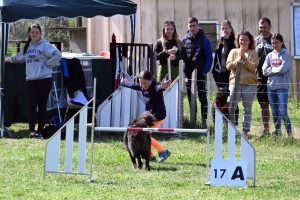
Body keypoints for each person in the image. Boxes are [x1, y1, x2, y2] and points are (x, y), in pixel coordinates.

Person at [6, 23, 62, 138]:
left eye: (37, 32)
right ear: (29, 33)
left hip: (44, 79)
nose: (34, 34)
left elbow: (58, 54)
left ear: (40, 33)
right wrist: (8, 60)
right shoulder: (27, 46)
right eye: (32, 32)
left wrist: (47, 64)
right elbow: (19, 58)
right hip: (30, 80)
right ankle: (31, 130)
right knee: (31, 105)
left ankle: (40, 130)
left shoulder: (45, 45)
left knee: (42, 106)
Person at [120, 70, 172, 163]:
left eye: (146, 83)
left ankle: (163, 152)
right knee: (146, 134)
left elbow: (158, 88)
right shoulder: (141, 86)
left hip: (158, 116)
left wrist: (162, 87)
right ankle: (150, 155)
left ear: (151, 80)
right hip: (149, 116)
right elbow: (133, 85)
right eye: (142, 83)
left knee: (146, 135)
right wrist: (123, 83)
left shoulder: (154, 86)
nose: (144, 86)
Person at [226, 31, 258, 138]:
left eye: (245, 39)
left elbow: (253, 67)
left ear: (249, 41)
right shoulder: (233, 51)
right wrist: (237, 61)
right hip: (235, 82)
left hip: (250, 84)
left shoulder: (253, 53)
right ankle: (232, 128)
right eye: (241, 39)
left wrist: (244, 59)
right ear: (238, 40)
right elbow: (228, 66)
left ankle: (245, 131)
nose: (243, 41)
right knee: (232, 105)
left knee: (247, 108)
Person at [182, 17, 213, 126]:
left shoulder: (205, 40)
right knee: (190, 97)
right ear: (188, 26)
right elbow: (181, 56)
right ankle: (192, 120)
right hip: (188, 73)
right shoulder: (184, 40)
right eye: (190, 26)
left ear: (198, 25)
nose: (192, 28)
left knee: (202, 97)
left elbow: (209, 57)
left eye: (194, 26)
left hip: (200, 73)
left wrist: (205, 72)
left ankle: (204, 121)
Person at [262, 33, 292, 138]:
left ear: (282, 42)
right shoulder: (269, 55)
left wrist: (272, 70)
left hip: (282, 87)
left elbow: (284, 69)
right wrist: (276, 70)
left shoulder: (286, 54)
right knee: (275, 112)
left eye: (277, 43)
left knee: (283, 112)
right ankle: (278, 134)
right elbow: (264, 71)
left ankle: (290, 134)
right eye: (273, 43)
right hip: (271, 87)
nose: (275, 45)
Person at [255, 17, 273, 136]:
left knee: (277, 105)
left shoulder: (275, 39)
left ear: (270, 27)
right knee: (263, 105)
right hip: (260, 78)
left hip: (273, 78)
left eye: (265, 27)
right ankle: (266, 130)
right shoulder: (256, 41)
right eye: (261, 27)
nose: (263, 30)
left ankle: (278, 130)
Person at [212, 20, 236, 88]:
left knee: (228, 95)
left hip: (229, 73)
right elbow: (217, 55)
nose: (224, 30)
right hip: (219, 73)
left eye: (226, 28)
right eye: (222, 28)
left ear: (231, 29)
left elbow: (228, 52)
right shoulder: (220, 42)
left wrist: (226, 39)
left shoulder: (234, 42)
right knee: (220, 96)